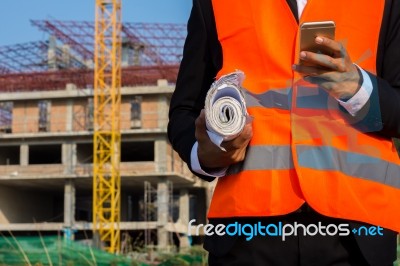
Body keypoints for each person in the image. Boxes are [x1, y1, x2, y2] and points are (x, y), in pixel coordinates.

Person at [168, 0, 400, 265]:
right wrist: (206, 156)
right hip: (246, 229)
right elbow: (184, 111)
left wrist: (357, 88)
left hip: (358, 233)